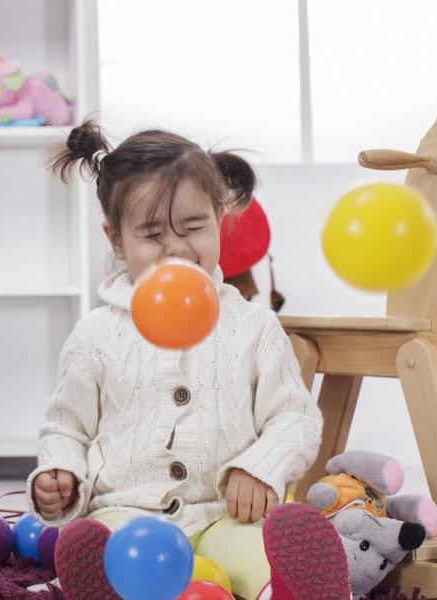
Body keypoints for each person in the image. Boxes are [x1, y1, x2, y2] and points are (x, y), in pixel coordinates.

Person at [28, 121, 349, 600]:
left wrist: (260, 467)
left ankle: (287, 590)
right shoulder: (96, 334)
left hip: (226, 516)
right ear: (116, 240)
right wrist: (61, 475)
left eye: (193, 227)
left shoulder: (254, 327)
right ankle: (104, 582)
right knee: (117, 551)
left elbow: (295, 418)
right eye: (152, 234)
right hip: (127, 514)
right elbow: (66, 428)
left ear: (220, 220)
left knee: (261, 554)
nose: (176, 247)